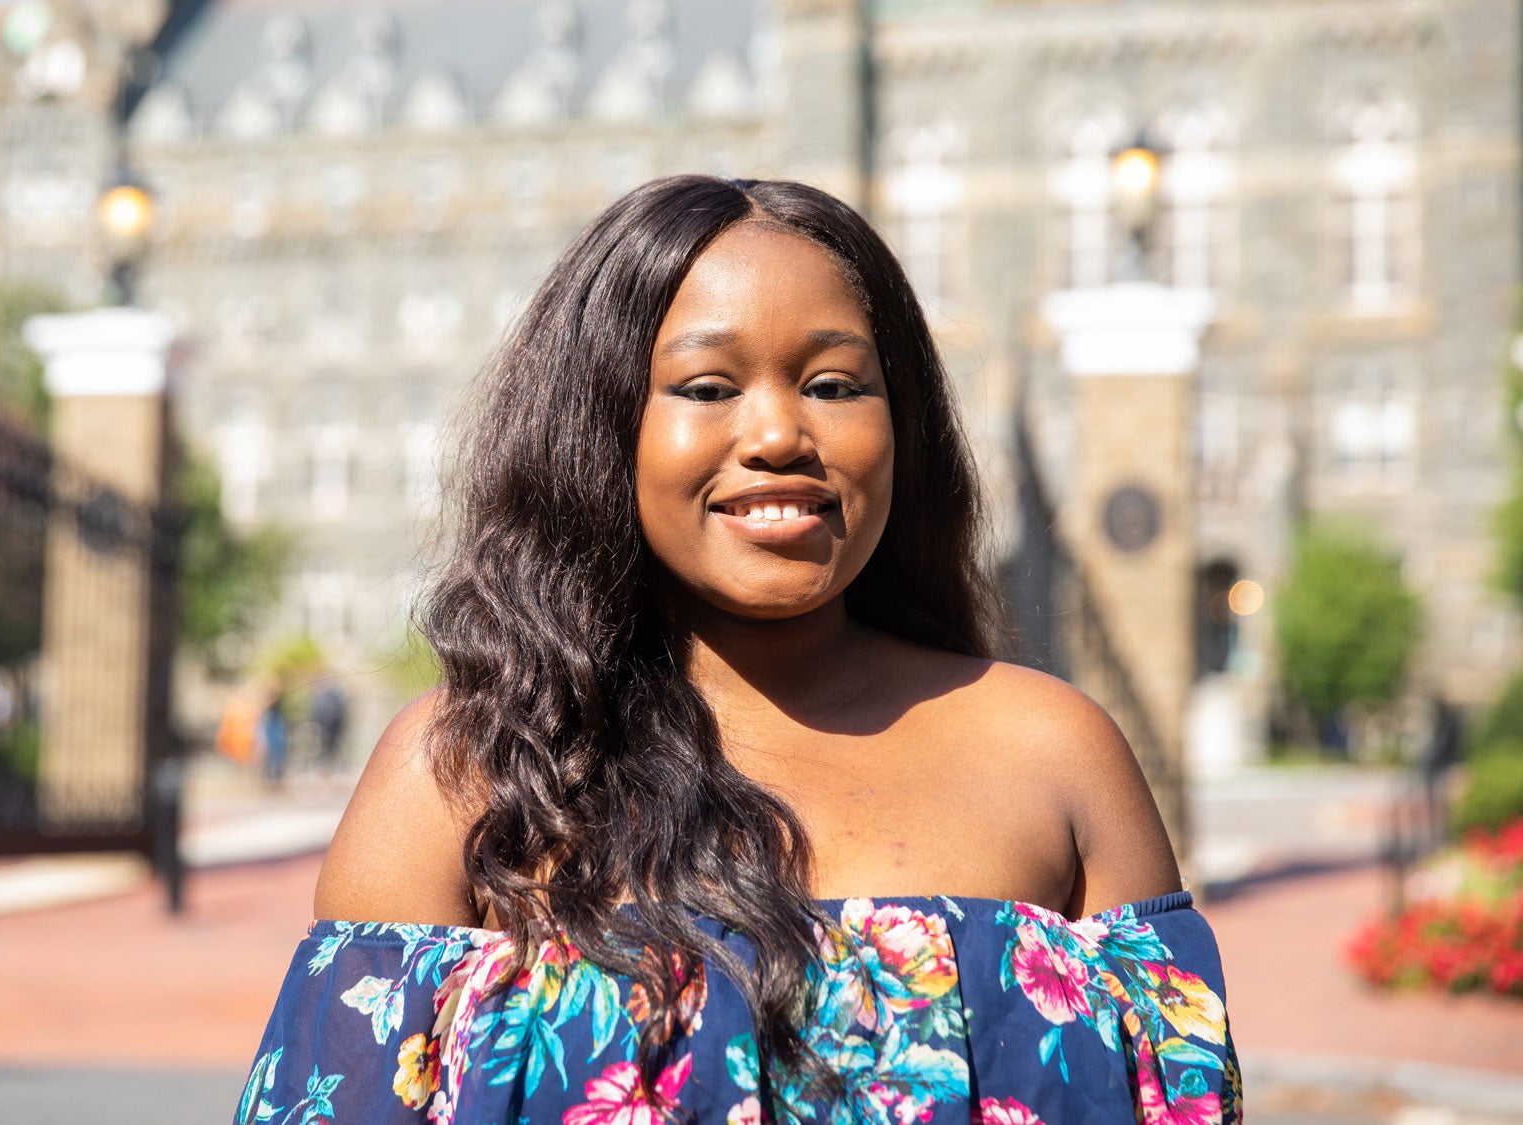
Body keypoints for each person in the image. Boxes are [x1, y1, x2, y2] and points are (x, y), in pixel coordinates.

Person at [235, 177, 1241, 1123]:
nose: (777, 434)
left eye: (835, 384)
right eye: (707, 386)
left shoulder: (1051, 753)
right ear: (602, 426)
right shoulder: (459, 777)